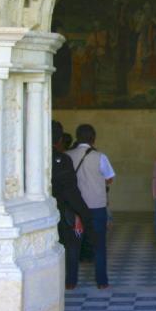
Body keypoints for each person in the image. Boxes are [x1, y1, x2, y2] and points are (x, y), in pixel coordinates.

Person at [66, 124, 115, 289]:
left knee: (74, 246)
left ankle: (71, 282)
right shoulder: (100, 156)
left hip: (75, 207)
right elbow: (109, 178)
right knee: (99, 245)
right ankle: (102, 282)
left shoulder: (68, 156)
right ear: (93, 138)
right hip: (96, 206)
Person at [51, 121, 92, 290]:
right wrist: (84, 214)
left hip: (38, 211)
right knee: (71, 244)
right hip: (61, 209)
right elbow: (70, 191)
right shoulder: (62, 159)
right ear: (60, 139)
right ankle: (69, 281)